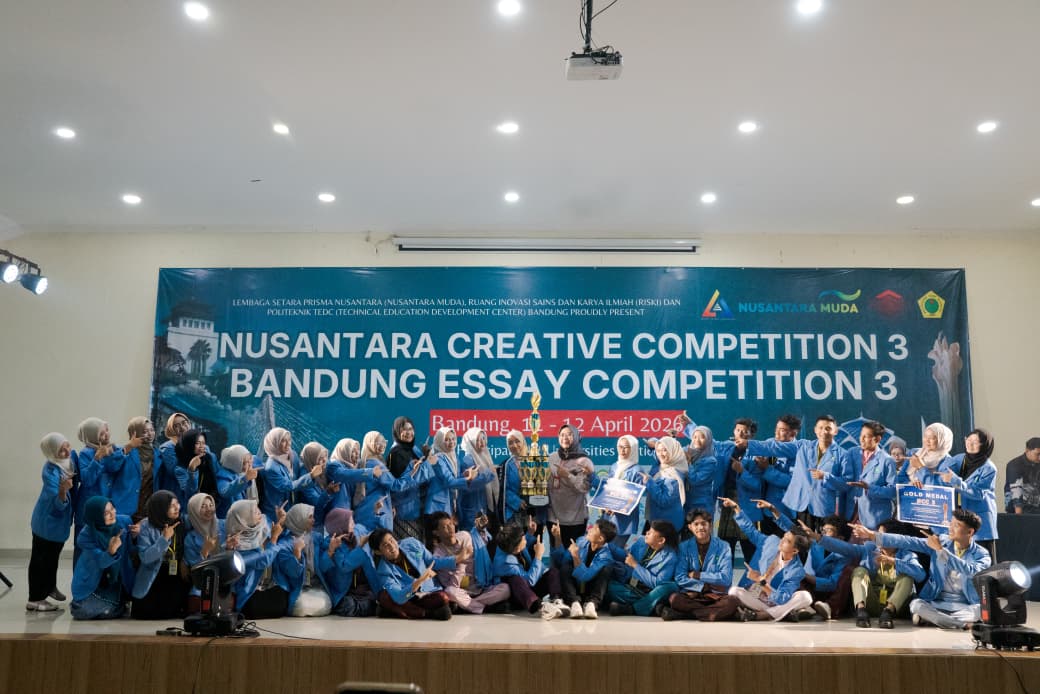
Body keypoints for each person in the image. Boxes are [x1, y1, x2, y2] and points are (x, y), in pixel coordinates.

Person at [874, 508, 991, 629]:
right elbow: (908, 541)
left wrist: (941, 551)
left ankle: (938, 620)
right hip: (937, 602)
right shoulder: (941, 541)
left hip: (964, 605)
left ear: (970, 532)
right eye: (951, 523)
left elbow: (971, 571)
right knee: (916, 605)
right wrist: (874, 536)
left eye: (956, 525)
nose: (950, 528)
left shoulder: (982, 554)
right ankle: (962, 624)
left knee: (980, 610)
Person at [743, 414, 850, 530]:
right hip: (799, 507)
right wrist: (747, 444)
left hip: (820, 508)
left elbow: (846, 483)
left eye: (828, 428)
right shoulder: (803, 446)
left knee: (821, 539)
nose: (824, 432)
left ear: (835, 431)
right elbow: (772, 448)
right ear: (815, 430)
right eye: (820, 428)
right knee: (800, 538)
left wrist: (826, 477)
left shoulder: (843, 454)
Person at [722, 497, 813, 622]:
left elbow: (781, 599)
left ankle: (761, 615)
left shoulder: (797, 570)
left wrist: (761, 581)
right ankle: (783, 613)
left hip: (776, 601)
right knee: (733, 591)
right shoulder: (771, 541)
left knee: (806, 597)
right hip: (755, 596)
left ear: (795, 550)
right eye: (784, 536)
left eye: (787, 541)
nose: (782, 540)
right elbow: (751, 531)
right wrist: (736, 508)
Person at [833, 519, 927, 628]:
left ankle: (888, 612)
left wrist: (894, 562)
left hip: (897, 608)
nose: (877, 538)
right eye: (877, 534)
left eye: (881, 536)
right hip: (873, 601)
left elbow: (921, 575)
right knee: (859, 570)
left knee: (907, 576)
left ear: (893, 539)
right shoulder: (870, 549)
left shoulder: (907, 555)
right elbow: (846, 548)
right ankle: (861, 611)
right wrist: (820, 538)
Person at [659, 509, 736, 622]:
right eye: (696, 524)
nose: (700, 527)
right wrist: (702, 587)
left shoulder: (724, 546)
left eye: (704, 523)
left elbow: (726, 578)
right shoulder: (684, 547)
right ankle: (713, 614)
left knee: (732, 602)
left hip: (716, 596)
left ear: (710, 525)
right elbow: (680, 577)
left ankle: (685, 615)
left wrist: (698, 575)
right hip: (693, 594)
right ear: (690, 527)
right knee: (674, 599)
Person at [28, 432, 76, 611]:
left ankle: (49, 587)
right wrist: (63, 490)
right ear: (52, 452)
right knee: (40, 560)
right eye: (61, 450)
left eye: (67, 445)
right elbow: (57, 503)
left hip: (58, 526)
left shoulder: (68, 463)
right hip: (46, 524)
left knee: (52, 558)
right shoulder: (50, 471)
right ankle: (35, 599)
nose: (67, 451)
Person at [429, 511, 510, 614]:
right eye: (445, 527)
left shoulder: (465, 536)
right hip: (462, 592)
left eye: (450, 524)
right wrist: (461, 561)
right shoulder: (438, 555)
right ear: (436, 532)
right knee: (450, 592)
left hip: (481, 587)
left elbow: (481, 544)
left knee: (505, 589)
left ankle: (470, 606)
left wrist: (480, 529)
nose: (451, 528)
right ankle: (485, 608)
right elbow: (451, 585)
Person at [369, 527, 454, 620]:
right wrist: (419, 581)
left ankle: (396, 611)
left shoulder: (411, 543)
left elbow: (432, 561)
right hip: (409, 597)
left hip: (429, 592)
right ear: (378, 552)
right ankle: (426, 613)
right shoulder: (383, 571)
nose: (392, 546)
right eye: (385, 545)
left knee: (443, 598)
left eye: (391, 540)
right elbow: (399, 597)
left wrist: (456, 559)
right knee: (384, 596)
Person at [130, 490, 190, 619]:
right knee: (152, 612)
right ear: (160, 508)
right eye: (172, 506)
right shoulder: (146, 526)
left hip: (175, 573)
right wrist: (164, 540)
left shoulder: (182, 522)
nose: (177, 508)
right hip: (155, 575)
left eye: (177, 503)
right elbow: (146, 558)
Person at [70, 496, 132, 620]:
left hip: (118, 579)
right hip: (93, 583)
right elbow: (101, 562)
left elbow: (132, 548)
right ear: (96, 516)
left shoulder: (124, 522)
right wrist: (111, 552)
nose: (112, 514)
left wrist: (136, 535)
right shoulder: (86, 536)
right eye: (105, 513)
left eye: (112, 508)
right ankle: (116, 607)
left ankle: (115, 606)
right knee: (82, 610)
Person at [225, 498, 288, 619]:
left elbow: (278, 536)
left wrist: (281, 521)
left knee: (283, 593)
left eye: (257, 508)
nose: (259, 512)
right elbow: (263, 560)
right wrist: (274, 538)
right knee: (277, 603)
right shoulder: (236, 544)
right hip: (246, 598)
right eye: (254, 512)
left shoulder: (260, 528)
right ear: (243, 519)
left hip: (262, 588)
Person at [943, 428, 998, 560]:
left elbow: (978, 493)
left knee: (982, 558)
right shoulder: (959, 459)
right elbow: (942, 469)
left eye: (975, 442)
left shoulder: (989, 468)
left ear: (984, 445)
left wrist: (955, 481)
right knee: (960, 559)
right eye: (968, 440)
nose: (970, 444)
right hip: (960, 516)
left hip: (979, 517)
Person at [605, 520, 679, 617]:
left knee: (670, 587)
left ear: (661, 540)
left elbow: (657, 583)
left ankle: (632, 609)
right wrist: (607, 544)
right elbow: (627, 557)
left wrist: (635, 565)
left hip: (651, 591)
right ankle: (651, 607)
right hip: (632, 588)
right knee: (610, 586)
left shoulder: (670, 557)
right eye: (648, 530)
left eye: (651, 532)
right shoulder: (641, 541)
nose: (647, 533)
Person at [492, 523, 565, 618]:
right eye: (524, 539)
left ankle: (557, 600)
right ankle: (541, 607)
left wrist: (530, 533)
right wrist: (538, 556)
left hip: (528, 589)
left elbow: (519, 541)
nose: (525, 540)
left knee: (553, 572)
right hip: (517, 595)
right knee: (516, 579)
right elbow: (530, 581)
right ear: (517, 549)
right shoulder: (505, 563)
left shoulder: (509, 545)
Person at [551, 518, 617, 619]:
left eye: (594, 529)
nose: (589, 530)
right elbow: (561, 561)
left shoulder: (606, 557)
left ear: (600, 539)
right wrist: (557, 537)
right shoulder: (581, 541)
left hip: (590, 590)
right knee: (566, 566)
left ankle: (592, 604)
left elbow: (585, 576)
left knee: (606, 569)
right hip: (574, 590)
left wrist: (576, 556)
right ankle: (574, 603)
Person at [321, 508, 380, 618]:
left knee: (372, 597)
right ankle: (368, 608)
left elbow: (370, 528)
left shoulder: (354, 535)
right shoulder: (332, 543)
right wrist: (331, 550)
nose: (353, 523)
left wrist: (376, 513)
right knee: (348, 605)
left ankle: (369, 606)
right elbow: (344, 566)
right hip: (343, 591)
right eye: (350, 521)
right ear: (340, 525)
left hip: (360, 588)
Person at [280, 503, 333, 617]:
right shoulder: (285, 544)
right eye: (310, 517)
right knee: (301, 606)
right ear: (299, 519)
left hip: (316, 585)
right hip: (297, 588)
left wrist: (330, 550)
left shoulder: (316, 538)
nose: (313, 520)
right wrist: (297, 554)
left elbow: (323, 567)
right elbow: (293, 574)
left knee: (325, 603)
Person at [547, 425, 594, 549]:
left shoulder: (584, 461)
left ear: (577, 437)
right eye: (562, 435)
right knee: (556, 553)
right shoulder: (552, 457)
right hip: (553, 516)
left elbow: (584, 487)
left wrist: (568, 476)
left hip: (575, 518)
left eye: (569, 434)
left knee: (573, 554)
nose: (565, 438)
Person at [387, 416, 433, 542]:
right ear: (397, 432)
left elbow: (418, 468)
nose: (409, 433)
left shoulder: (412, 449)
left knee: (419, 546)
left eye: (411, 429)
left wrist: (425, 455)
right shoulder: (396, 453)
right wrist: (428, 464)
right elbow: (406, 481)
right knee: (409, 547)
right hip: (404, 509)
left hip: (417, 507)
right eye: (404, 429)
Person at [845, 420, 897, 530]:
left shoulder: (887, 460)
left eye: (866, 436)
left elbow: (892, 491)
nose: (861, 439)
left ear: (877, 439)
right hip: (850, 514)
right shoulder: (852, 453)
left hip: (875, 517)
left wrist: (869, 487)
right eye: (861, 435)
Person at [183, 492, 227, 612]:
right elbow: (195, 570)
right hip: (205, 581)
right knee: (197, 603)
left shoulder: (225, 525)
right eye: (203, 506)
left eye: (211, 505)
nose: (209, 509)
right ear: (194, 511)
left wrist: (230, 547)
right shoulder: (190, 538)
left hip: (227, 577)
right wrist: (204, 552)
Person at [260, 427, 316, 521]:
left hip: (293, 505)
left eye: (289, 440)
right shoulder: (271, 467)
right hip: (277, 511)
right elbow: (288, 486)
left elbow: (298, 472)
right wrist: (311, 475)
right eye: (283, 441)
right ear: (275, 443)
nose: (288, 444)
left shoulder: (292, 454)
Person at [757, 415, 801, 534]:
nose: (776, 432)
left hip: (786, 511)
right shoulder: (770, 443)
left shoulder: (800, 453)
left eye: (782, 430)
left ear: (793, 433)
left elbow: (790, 482)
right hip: (766, 509)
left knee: (787, 543)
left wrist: (767, 469)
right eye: (777, 428)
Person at [424, 427, 474, 520]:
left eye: (453, 439)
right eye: (446, 440)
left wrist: (464, 475)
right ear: (440, 441)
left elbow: (454, 478)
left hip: (448, 505)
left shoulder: (454, 457)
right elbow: (449, 481)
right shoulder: (438, 459)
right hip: (436, 507)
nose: (451, 442)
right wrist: (468, 479)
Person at [604, 435, 644, 547]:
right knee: (606, 549)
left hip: (624, 520)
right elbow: (608, 489)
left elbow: (635, 497)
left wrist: (617, 507)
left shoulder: (637, 470)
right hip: (609, 517)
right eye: (620, 446)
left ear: (633, 449)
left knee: (615, 549)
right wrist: (605, 504)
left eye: (626, 447)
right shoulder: (614, 466)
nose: (622, 450)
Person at [297, 442, 345, 533]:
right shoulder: (305, 477)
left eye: (325, 456)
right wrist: (328, 492)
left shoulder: (322, 467)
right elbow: (316, 502)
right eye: (320, 458)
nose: (324, 461)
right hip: (311, 523)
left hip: (322, 518)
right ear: (312, 459)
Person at [458, 427, 499, 531]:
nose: (482, 442)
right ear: (470, 442)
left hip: (482, 508)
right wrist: (488, 473)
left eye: (483, 438)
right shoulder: (467, 461)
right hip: (472, 510)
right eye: (477, 440)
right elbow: (469, 485)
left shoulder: (485, 456)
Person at [645, 437, 688, 532]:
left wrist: (649, 482)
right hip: (656, 520)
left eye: (665, 450)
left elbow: (664, 501)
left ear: (672, 451)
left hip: (668, 526)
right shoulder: (660, 467)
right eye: (658, 451)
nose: (661, 454)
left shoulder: (674, 475)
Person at [172, 429, 218, 514]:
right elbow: (190, 493)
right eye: (197, 443)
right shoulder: (180, 468)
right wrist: (192, 470)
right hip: (193, 510)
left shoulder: (208, 458)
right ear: (189, 444)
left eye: (203, 443)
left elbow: (214, 483)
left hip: (210, 506)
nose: (201, 446)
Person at [119, 417, 153, 520]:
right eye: (145, 432)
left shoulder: (157, 454)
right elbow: (112, 466)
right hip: (125, 505)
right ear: (135, 433)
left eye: (152, 430)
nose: (150, 434)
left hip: (147, 508)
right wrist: (129, 447)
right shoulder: (125, 451)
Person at [215, 444, 259, 517]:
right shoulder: (222, 477)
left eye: (250, 460)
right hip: (229, 517)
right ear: (235, 463)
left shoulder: (238, 471)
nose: (249, 464)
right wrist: (246, 478)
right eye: (245, 463)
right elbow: (225, 492)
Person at [684, 427, 719, 518]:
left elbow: (695, 480)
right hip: (686, 503)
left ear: (708, 440)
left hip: (701, 505)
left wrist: (688, 463)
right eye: (695, 437)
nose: (697, 440)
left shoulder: (710, 461)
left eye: (702, 437)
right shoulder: (688, 452)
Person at [1006, 437, 1040, 513]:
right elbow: (1016, 492)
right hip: (1018, 511)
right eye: (1038, 454)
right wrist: (1019, 518)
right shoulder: (1015, 465)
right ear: (1027, 450)